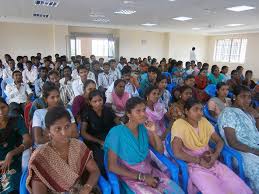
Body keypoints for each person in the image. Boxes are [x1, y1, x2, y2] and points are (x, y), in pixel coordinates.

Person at [104, 97, 184, 194]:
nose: (143, 114)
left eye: (144, 110)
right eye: (138, 111)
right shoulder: (116, 133)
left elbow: (160, 151)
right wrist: (142, 177)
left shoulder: (144, 129)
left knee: (178, 192)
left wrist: (154, 132)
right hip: (131, 178)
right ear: (129, 114)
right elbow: (112, 166)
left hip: (150, 172)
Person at [171, 98, 252, 194]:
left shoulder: (204, 122)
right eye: (195, 109)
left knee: (236, 184)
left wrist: (215, 155)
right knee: (213, 189)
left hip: (211, 160)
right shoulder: (179, 124)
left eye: (201, 109)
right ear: (186, 111)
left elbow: (219, 141)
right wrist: (199, 161)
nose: (199, 113)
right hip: (193, 163)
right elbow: (177, 152)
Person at [27, 106, 101, 194]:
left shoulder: (78, 145)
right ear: (48, 131)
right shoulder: (40, 157)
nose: (64, 133)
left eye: (67, 126)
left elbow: (95, 171)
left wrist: (87, 188)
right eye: (58, 129)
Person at [218, 85, 259, 193]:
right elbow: (233, 142)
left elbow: (256, 133)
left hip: (255, 147)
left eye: (249, 97)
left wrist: (257, 116)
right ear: (235, 97)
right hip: (242, 152)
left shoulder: (248, 113)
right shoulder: (228, 113)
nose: (247, 100)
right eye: (243, 96)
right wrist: (255, 151)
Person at [0, 97, 32, 193]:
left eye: (3, 107)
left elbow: (28, 140)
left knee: (11, 187)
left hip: (13, 162)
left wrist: (11, 153)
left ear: (8, 107)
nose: (1, 112)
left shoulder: (16, 120)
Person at [80, 90, 116, 176]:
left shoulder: (108, 110)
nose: (98, 103)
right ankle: (106, 178)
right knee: (102, 161)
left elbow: (117, 122)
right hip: (93, 141)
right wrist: (99, 142)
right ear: (90, 102)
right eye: (94, 101)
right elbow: (83, 133)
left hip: (108, 137)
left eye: (100, 100)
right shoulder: (86, 113)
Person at [32, 82, 78, 147]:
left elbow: (75, 134)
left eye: (58, 96)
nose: (56, 100)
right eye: (52, 97)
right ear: (46, 99)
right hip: (46, 148)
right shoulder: (38, 113)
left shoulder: (66, 111)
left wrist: (50, 135)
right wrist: (65, 135)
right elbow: (38, 139)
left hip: (65, 146)